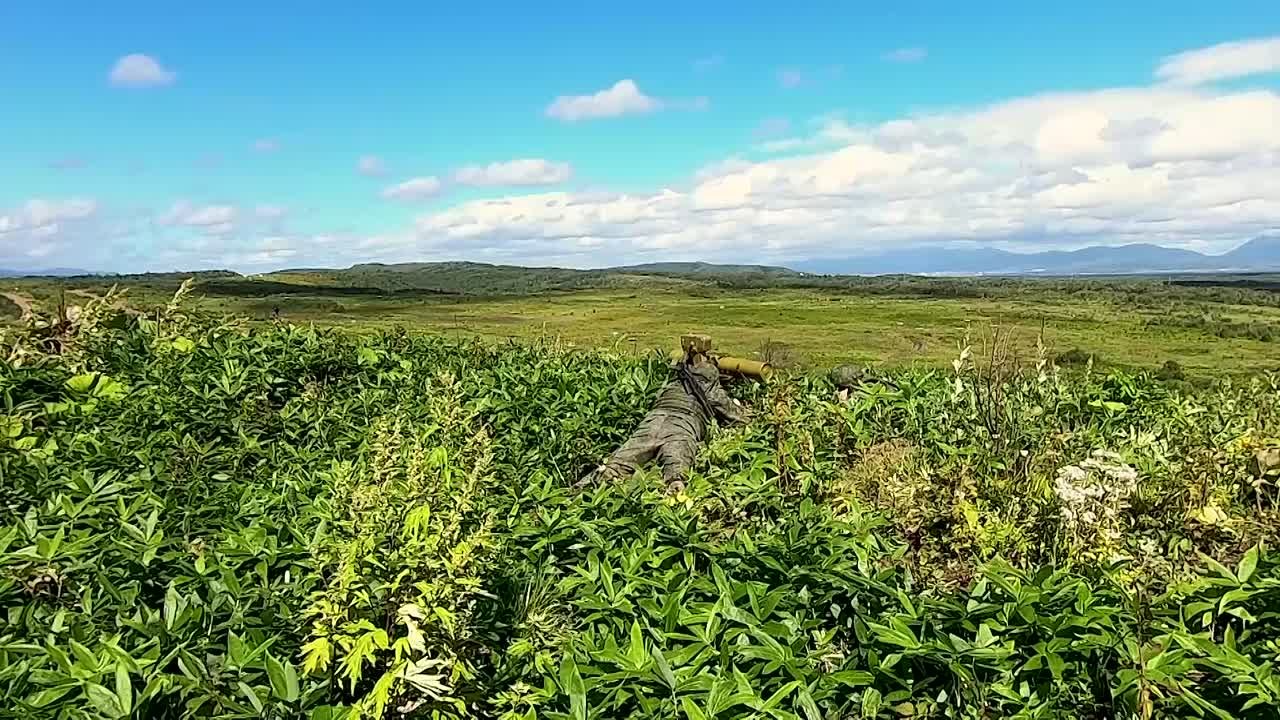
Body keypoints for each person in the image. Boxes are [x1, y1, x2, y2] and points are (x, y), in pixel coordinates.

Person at [579, 352, 748, 493]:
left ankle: (575, 492)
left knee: (615, 466)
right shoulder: (710, 386)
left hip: (653, 421)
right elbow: (738, 419)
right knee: (676, 473)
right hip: (682, 425)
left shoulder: (674, 381)